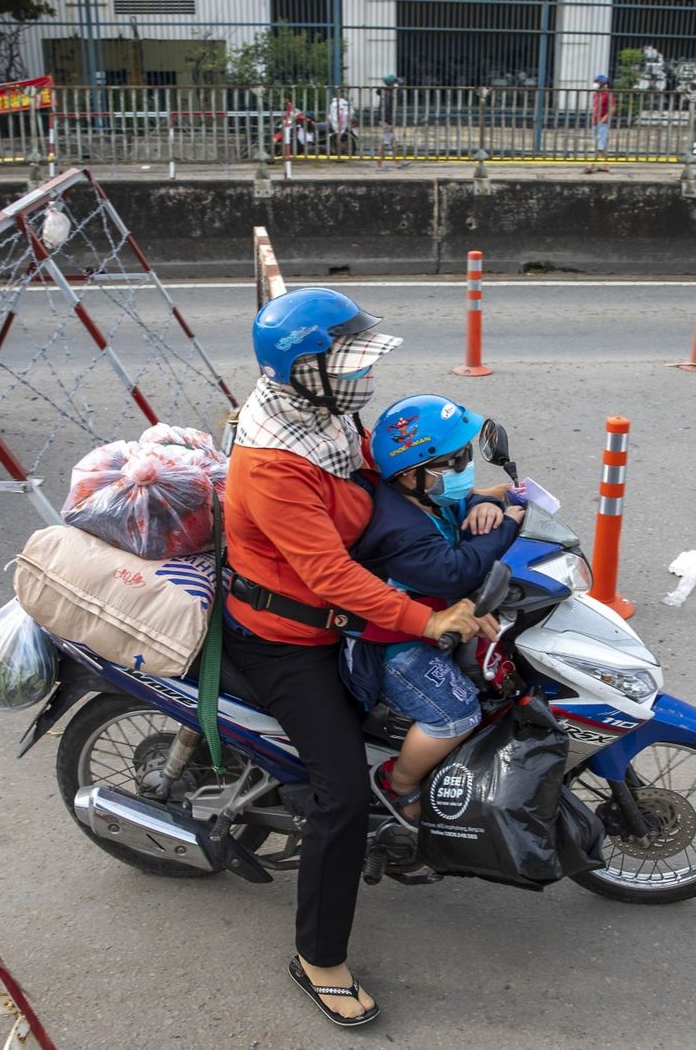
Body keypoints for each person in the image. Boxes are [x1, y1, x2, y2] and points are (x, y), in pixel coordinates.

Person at [224, 288, 497, 1027]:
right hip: (291, 639)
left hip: (349, 611)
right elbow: (329, 577)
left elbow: (382, 474)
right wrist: (427, 616)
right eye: (346, 363)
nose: (362, 379)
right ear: (304, 369)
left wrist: (465, 494)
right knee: (341, 794)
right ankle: (318, 958)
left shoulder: (324, 413)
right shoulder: (274, 464)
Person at [345, 394, 525, 825]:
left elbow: (470, 504)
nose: (465, 468)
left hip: (431, 626)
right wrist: (509, 526)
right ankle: (398, 784)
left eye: (465, 455)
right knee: (458, 713)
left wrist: (488, 505)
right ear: (410, 474)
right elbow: (454, 572)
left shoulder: (429, 498)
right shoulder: (398, 528)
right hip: (395, 648)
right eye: (454, 461)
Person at [375, 73, 409, 171]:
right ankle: (378, 165)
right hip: (386, 120)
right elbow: (386, 109)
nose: (396, 85)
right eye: (395, 83)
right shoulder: (387, 94)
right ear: (392, 84)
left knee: (393, 141)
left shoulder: (386, 92)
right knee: (385, 143)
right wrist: (390, 122)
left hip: (385, 120)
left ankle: (398, 163)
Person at [585, 72, 611, 174]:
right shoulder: (596, 94)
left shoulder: (608, 94)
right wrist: (593, 118)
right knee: (601, 146)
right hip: (595, 122)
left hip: (602, 123)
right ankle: (606, 166)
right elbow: (595, 107)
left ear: (603, 83)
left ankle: (591, 166)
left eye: (597, 82)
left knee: (598, 145)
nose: (595, 83)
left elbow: (612, 108)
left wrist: (604, 118)